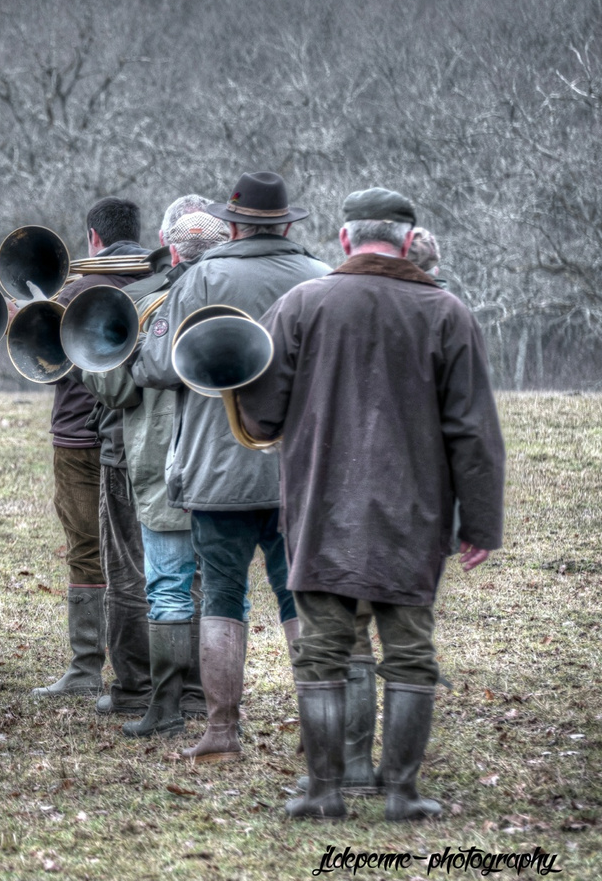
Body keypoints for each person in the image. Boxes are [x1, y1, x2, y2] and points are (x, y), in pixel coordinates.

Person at [238, 188, 505, 821]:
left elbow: (264, 414)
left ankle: (323, 792)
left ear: (344, 239)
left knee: (323, 650)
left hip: (321, 508)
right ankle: (403, 794)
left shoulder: (300, 305)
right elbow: (473, 430)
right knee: (410, 651)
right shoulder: (448, 313)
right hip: (415, 516)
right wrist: (482, 522)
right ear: (411, 243)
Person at [132, 170, 330, 763]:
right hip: (302, 470)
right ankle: (317, 734)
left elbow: (158, 368)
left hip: (219, 471)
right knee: (301, 598)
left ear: (234, 223)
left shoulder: (203, 277)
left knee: (222, 594)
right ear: (288, 223)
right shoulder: (323, 278)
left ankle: (221, 733)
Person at [79, 198, 228, 737]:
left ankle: (144, 694)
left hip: (151, 459)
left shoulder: (141, 299)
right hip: (226, 462)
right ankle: (201, 696)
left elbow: (116, 388)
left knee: (145, 578)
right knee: (215, 583)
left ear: (168, 247)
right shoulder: (243, 297)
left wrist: (87, 357)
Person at [30, 197, 153, 716]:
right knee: (141, 552)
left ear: (93, 238)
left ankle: (85, 668)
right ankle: (147, 670)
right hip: (136, 435)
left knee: (87, 547)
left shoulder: (73, 292)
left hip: (79, 438)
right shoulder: (160, 282)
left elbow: (45, 365)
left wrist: (32, 319)